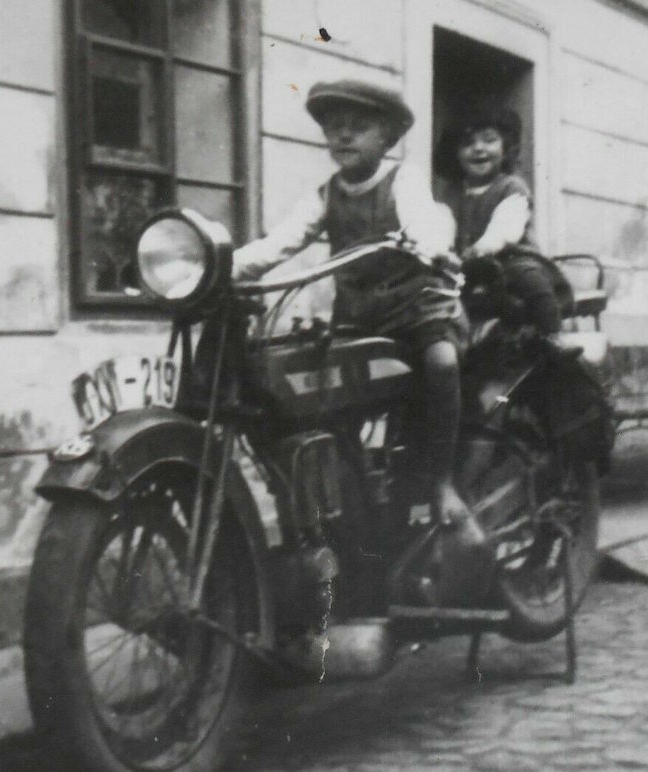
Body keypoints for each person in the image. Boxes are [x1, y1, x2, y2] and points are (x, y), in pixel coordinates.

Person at [233, 79, 483, 547]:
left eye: (359, 127)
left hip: (420, 309)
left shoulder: (402, 179)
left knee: (441, 363)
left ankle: (442, 482)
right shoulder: (325, 195)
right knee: (321, 393)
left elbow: (423, 218)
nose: (344, 135)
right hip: (360, 318)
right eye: (334, 127)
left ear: (386, 138)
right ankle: (349, 506)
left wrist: (431, 244)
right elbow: (279, 242)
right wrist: (215, 269)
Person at [434, 101, 567, 336]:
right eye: (468, 143)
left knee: (531, 281)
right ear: (455, 153)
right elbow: (442, 223)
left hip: (511, 258)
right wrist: (443, 251)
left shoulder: (511, 187)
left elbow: (506, 227)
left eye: (489, 140)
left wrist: (484, 247)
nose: (478, 148)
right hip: (467, 264)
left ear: (506, 147)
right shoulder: (450, 194)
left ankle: (552, 335)